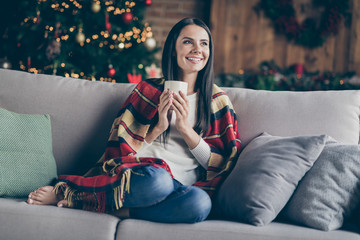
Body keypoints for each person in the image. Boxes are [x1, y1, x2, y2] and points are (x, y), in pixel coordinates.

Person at [27, 17, 241, 223]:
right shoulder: (147, 91)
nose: (197, 49)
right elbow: (118, 153)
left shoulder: (217, 102)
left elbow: (220, 164)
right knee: (159, 181)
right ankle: (76, 194)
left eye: (204, 43)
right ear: (173, 50)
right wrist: (158, 128)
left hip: (179, 189)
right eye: (187, 42)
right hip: (144, 176)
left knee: (201, 204)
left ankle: (99, 205)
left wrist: (185, 129)